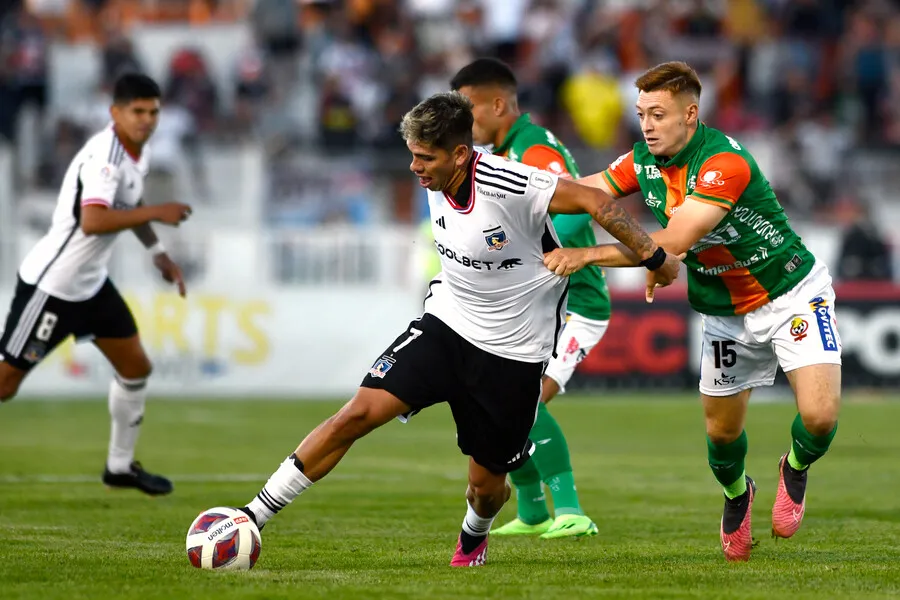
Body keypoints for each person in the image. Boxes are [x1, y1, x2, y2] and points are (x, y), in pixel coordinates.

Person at [234, 91, 682, 567]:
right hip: (446, 326)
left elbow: (595, 199)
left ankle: (474, 535)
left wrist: (653, 257)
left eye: (425, 158)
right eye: (411, 155)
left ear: (461, 155)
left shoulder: (512, 182)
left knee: (485, 489)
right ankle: (251, 516)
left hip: (512, 354)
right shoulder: (433, 176)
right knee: (357, 413)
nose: (414, 168)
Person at [544, 61, 842, 562]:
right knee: (722, 435)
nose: (647, 125)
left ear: (690, 114)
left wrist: (586, 254)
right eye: (640, 114)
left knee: (819, 416)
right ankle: (736, 494)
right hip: (723, 311)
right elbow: (586, 191)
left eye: (657, 114)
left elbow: (674, 241)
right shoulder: (642, 161)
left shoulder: (724, 162)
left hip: (791, 290)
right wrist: (516, 194)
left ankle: (794, 466)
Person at [0, 73, 193, 496]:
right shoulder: (105, 157)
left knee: (136, 367)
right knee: (5, 385)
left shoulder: (135, 154)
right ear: (115, 113)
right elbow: (94, 220)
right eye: (137, 111)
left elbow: (130, 204)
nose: (146, 120)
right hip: (53, 287)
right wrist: (160, 211)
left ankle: (119, 467)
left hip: (91, 285)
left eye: (153, 112)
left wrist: (157, 251)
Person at [451, 57, 607, 539]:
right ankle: (535, 510)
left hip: (573, 303)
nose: (462, 123)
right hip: (533, 307)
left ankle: (572, 511)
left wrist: (543, 259)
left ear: (498, 104)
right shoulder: (500, 153)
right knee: (497, 403)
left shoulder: (534, 150)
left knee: (527, 401)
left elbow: (579, 208)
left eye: (468, 110)